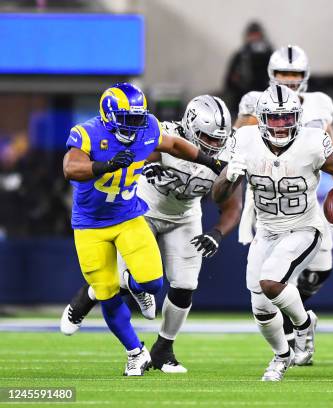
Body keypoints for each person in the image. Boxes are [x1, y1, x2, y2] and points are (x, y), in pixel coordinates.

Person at [63, 83, 226, 376]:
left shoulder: (148, 127)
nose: (135, 124)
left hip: (129, 215)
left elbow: (174, 145)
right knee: (109, 294)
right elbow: (71, 168)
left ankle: (138, 293)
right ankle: (135, 352)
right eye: (129, 118)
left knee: (152, 282)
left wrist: (212, 162)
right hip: (91, 224)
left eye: (139, 117)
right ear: (110, 116)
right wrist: (106, 165)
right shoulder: (87, 132)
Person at [212, 84, 333, 381]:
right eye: (275, 118)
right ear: (261, 118)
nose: (281, 126)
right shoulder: (244, 140)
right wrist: (229, 178)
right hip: (267, 230)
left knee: (270, 282)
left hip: (304, 227)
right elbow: (218, 196)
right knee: (260, 308)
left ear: (298, 117)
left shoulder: (312, 141)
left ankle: (303, 324)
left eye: (287, 118)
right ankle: (281, 356)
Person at [234, 45, 333, 359]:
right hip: (266, 194)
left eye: (294, 74)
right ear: (271, 75)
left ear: (304, 76)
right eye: (282, 74)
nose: (288, 79)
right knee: (272, 276)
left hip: (302, 194)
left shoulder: (319, 103)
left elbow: (329, 145)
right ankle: (294, 334)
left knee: (320, 268)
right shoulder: (255, 100)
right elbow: (239, 141)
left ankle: (297, 314)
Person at [224, 21, 273, 113]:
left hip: (266, 102)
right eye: (252, 35)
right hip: (243, 101)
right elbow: (229, 81)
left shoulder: (271, 55)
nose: (254, 38)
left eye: (256, 35)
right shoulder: (241, 56)